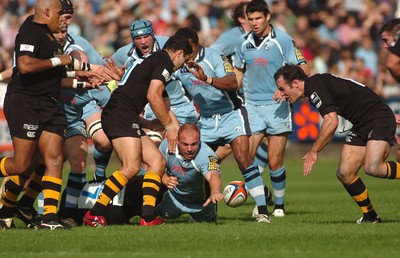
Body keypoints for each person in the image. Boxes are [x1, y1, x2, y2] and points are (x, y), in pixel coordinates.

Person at [0, 0, 101, 230]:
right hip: (27, 104)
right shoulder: (30, 31)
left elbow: (56, 75)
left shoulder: (50, 37)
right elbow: (24, 67)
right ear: (46, 12)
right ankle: (8, 208)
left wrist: (85, 82)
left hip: (50, 105)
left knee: (54, 159)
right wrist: (59, 60)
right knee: (21, 165)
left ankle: (49, 219)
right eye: (60, 14)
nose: (64, 20)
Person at [82, 35, 193, 227]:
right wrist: (168, 127)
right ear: (179, 53)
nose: (183, 64)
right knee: (131, 167)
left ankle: (148, 216)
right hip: (120, 114)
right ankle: (94, 213)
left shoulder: (154, 61)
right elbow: (153, 96)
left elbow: (163, 103)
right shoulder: (164, 62)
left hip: (124, 114)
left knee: (157, 162)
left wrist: (159, 124)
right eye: (185, 60)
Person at [273, 64, 400, 223]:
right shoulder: (315, 85)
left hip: (377, 118)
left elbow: (331, 122)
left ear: (296, 84)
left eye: (282, 88)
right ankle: (370, 216)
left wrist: (314, 151)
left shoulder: (314, 87)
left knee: (373, 167)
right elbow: (356, 93)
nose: (282, 94)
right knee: (345, 173)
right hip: (364, 122)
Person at [174, 27, 271, 223]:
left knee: (243, 158)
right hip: (207, 120)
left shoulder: (214, 56)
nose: (184, 52)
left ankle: (262, 211)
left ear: (196, 43)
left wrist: (206, 79)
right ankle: (206, 213)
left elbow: (233, 83)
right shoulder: (179, 64)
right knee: (201, 164)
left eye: (187, 48)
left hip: (232, 114)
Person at [233, 0, 309, 218]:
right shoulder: (242, 42)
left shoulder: (283, 40)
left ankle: (279, 206)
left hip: (278, 107)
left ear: (268, 16)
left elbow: (304, 68)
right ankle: (261, 197)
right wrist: (230, 92)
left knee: (275, 161)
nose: (254, 23)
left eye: (258, 18)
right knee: (245, 156)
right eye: (250, 19)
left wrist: (285, 90)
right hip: (252, 107)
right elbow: (238, 73)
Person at [211, 1, 273, 206]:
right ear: (242, 19)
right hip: (236, 98)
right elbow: (211, 56)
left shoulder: (257, 38)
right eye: (250, 17)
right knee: (236, 144)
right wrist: (227, 76)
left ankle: (256, 186)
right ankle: (209, 168)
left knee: (263, 141)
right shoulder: (233, 37)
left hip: (253, 95)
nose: (254, 20)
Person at [156, 123, 223, 223]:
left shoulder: (207, 154)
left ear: (200, 142)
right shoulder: (167, 146)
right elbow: (154, 168)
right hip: (173, 200)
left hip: (200, 206)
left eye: (194, 144)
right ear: (177, 141)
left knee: (209, 226)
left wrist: (215, 191)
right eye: (185, 144)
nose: (190, 149)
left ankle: (201, 216)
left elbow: (214, 174)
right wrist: (165, 178)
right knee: (153, 216)